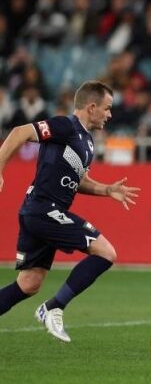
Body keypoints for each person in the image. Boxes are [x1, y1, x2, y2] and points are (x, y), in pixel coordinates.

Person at [0, 81, 140, 341]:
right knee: (106, 252)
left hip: (39, 212)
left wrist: (107, 190)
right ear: (92, 107)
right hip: (43, 209)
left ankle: (50, 305)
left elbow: (80, 181)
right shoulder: (66, 126)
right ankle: (53, 307)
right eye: (107, 109)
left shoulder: (86, 143)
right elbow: (20, 132)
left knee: (28, 284)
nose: (110, 115)